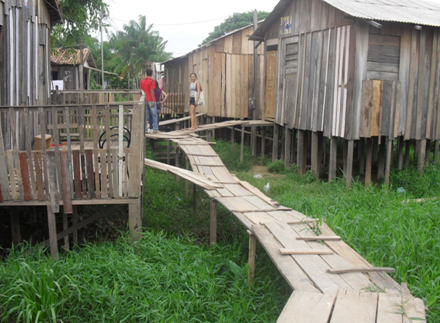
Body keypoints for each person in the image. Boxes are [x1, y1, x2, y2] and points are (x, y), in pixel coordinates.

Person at [140, 69, 157, 133]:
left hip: (144, 99)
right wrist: (153, 100)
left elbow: (141, 90)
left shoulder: (142, 81)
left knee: (145, 115)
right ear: (152, 74)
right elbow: (152, 90)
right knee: (154, 114)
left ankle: (145, 129)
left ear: (146, 73)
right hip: (150, 99)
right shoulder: (152, 81)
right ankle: (155, 128)